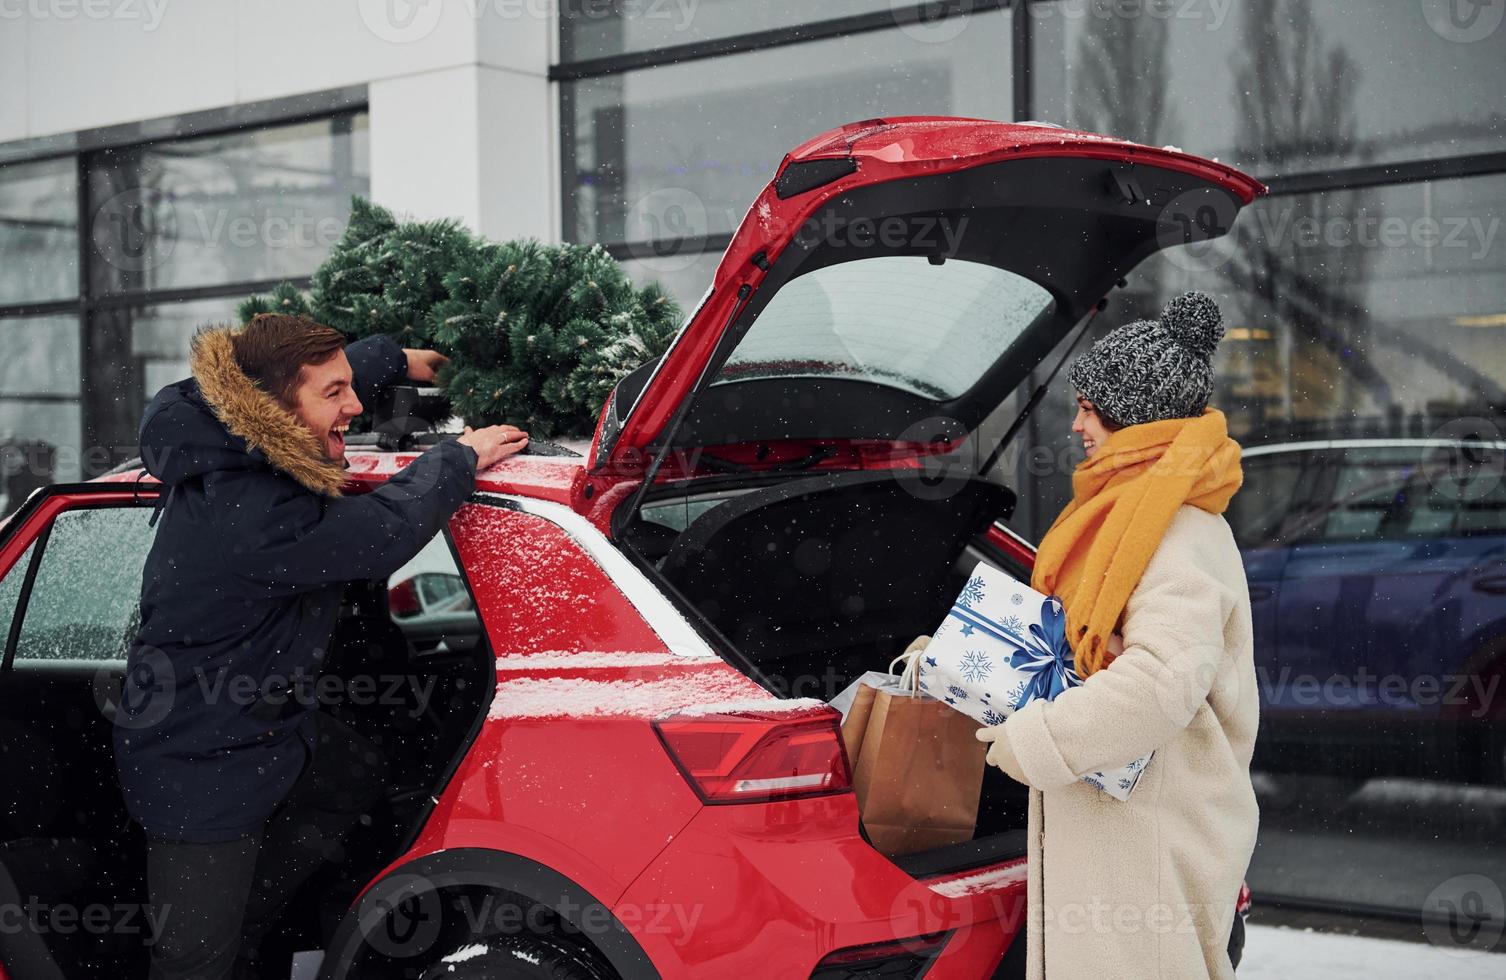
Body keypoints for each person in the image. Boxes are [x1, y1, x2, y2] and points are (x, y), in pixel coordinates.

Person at [113, 314, 529, 980]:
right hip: (201, 765)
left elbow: (293, 379)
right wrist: (457, 459)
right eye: (336, 393)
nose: (355, 406)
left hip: (267, 732)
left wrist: (390, 357)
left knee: (353, 770)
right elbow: (381, 531)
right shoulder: (253, 517)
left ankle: (264, 931)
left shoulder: (229, 426)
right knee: (195, 958)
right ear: (278, 409)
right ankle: (242, 938)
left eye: (350, 386)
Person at [973, 291, 1258, 979]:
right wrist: (962, 660)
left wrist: (1039, 739)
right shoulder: (1131, 517)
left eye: (1089, 409)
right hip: (1126, 832)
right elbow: (1073, 651)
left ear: (1131, 419)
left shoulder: (1176, 533)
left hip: (1153, 842)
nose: (1076, 426)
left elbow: (1161, 682)